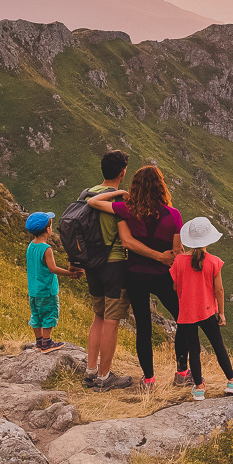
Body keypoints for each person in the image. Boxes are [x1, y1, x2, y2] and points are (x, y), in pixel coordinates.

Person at [87, 164, 183, 394]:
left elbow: (93, 202)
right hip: (163, 276)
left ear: (136, 187)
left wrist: (119, 194)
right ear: (161, 187)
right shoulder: (173, 215)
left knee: (143, 327)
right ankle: (182, 372)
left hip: (135, 275)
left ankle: (148, 379)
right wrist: (164, 259)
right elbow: (177, 251)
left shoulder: (127, 210)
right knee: (183, 320)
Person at [171, 216, 233, 401]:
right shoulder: (214, 262)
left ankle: (199, 388)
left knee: (193, 349)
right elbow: (219, 290)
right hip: (208, 311)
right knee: (218, 346)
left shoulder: (178, 261)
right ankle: (232, 381)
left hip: (186, 313)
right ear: (208, 239)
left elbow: (176, 288)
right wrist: (221, 313)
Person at [82, 150, 135, 390]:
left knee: (99, 315)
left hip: (91, 264)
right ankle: (104, 377)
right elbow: (125, 239)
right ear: (122, 173)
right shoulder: (117, 200)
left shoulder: (87, 193)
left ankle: (90, 370)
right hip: (113, 264)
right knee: (112, 320)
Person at [23, 211, 83, 351]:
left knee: (36, 315)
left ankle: (38, 342)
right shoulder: (46, 249)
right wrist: (69, 273)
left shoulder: (31, 246)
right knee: (49, 314)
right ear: (48, 230)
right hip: (47, 290)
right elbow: (53, 268)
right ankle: (47, 342)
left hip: (33, 290)